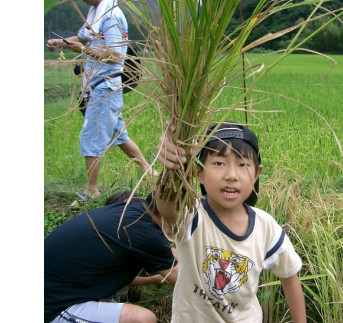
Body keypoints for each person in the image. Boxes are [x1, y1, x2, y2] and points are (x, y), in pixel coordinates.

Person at [154, 121, 306, 322]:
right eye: (219, 163)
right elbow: (168, 207)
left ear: (256, 174)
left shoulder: (265, 226)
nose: (231, 175)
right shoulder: (192, 214)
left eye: (243, 164)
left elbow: (290, 277)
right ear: (198, 173)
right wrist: (171, 166)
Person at [46, 0, 157, 208]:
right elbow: (81, 38)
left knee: (91, 136)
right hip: (98, 85)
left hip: (106, 87)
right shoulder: (95, 12)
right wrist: (61, 42)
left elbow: (116, 56)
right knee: (119, 135)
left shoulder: (111, 16)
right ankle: (150, 172)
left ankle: (91, 190)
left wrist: (84, 51)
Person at [44, 191, 178, 323]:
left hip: (60, 292)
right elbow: (183, 281)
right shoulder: (145, 233)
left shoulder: (129, 215)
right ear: (167, 216)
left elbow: (170, 253)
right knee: (142, 319)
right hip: (54, 307)